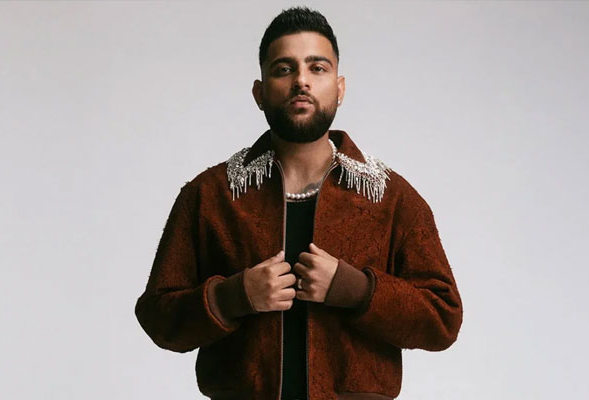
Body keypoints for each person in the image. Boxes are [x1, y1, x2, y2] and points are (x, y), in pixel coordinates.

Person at [135, 6, 463, 400]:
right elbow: (158, 316)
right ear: (260, 93)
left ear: (339, 88)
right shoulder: (211, 195)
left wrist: (355, 289)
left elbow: (443, 318)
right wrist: (234, 296)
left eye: (317, 68)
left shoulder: (390, 198)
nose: (301, 81)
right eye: (284, 69)